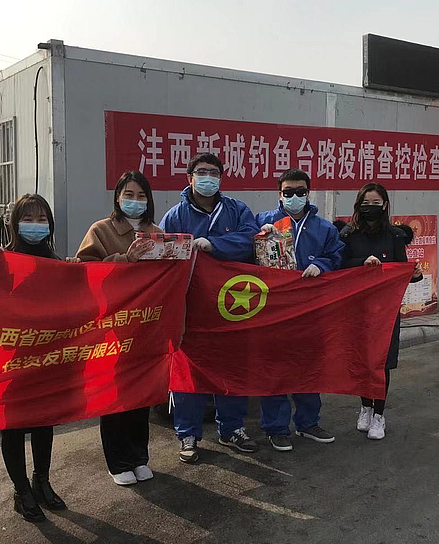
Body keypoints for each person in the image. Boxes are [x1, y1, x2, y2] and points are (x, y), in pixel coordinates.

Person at [159, 153, 260, 463]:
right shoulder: (175, 216)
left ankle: (232, 428)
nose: (208, 178)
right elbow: (162, 253)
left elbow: (252, 239)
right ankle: (188, 434)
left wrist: (214, 245)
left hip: (231, 305)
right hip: (191, 308)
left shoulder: (237, 210)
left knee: (232, 368)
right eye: (201, 172)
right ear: (189, 178)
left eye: (214, 173)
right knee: (189, 372)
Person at [76, 171, 158, 486]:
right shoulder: (101, 230)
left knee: (141, 393)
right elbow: (85, 271)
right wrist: (125, 259)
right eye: (129, 195)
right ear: (118, 198)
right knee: (114, 394)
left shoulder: (156, 232)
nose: (135, 201)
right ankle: (118, 461)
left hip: (145, 324)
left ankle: (139, 457)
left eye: (141, 196)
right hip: (112, 325)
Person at [255, 168, 344, 452]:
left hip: (310, 309)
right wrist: (258, 237)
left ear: (308, 193)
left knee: (308, 367)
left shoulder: (325, 228)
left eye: (300, 191)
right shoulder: (263, 221)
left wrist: (322, 264)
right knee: (275, 369)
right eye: (289, 192)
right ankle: (276, 428)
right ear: (279, 194)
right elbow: (243, 255)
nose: (295, 197)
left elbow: (336, 255)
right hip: (274, 309)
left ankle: (308, 422)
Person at [0, 194, 72, 522]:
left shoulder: (56, 262)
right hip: (11, 358)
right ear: (15, 223)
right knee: (13, 425)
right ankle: (21, 490)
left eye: (42, 219)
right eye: (28, 219)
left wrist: (76, 274)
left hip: (46, 357)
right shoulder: (1, 259)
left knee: (43, 421)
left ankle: (42, 481)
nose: (36, 225)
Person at [340, 183, 423, 441]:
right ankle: (365, 407)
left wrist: (415, 274)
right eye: (366, 203)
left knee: (382, 362)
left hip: (385, 311)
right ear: (359, 204)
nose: (371, 208)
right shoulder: (348, 234)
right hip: (358, 309)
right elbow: (341, 266)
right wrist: (362, 263)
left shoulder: (395, 236)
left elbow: (402, 271)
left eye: (376, 203)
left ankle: (379, 414)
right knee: (363, 361)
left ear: (385, 205)